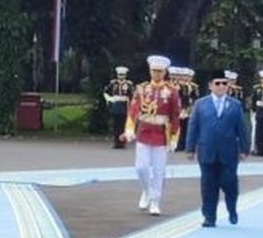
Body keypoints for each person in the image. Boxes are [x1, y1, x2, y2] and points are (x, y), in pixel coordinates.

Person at [185, 70, 249, 227]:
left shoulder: (235, 105)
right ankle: (209, 216)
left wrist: (244, 149)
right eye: (217, 83)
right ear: (210, 86)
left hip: (229, 152)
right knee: (208, 186)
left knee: (229, 183)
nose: (221, 86)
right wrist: (190, 148)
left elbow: (242, 128)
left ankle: (232, 208)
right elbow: (193, 127)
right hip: (207, 151)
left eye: (224, 83)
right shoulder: (201, 104)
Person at [122, 55, 181, 216]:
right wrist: (129, 129)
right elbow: (133, 110)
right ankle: (146, 190)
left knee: (159, 170)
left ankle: (155, 201)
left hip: (162, 135)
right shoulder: (141, 89)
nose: (157, 74)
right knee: (141, 167)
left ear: (165, 72)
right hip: (144, 132)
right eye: (154, 71)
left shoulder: (172, 91)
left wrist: (175, 137)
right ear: (150, 71)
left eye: (160, 71)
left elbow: (175, 115)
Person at [103, 66, 134, 149]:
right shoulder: (113, 83)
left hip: (124, 106)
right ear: (117, 75)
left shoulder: (129, 84)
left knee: (123, 125)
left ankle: (122, 143)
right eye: (120, 75)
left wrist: (131, 105)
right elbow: (105, 92)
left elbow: (132, 96)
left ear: (125, 75)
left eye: (123, 75)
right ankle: (116, 142)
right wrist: (109, 99)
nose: (121, 77)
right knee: (115, 125)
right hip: (116, 105)